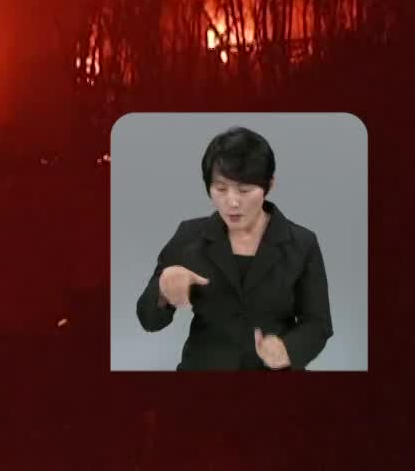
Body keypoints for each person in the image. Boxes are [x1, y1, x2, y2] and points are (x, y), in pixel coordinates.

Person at [135, 126, 333, 370]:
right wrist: (162, 291)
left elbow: (318, 323)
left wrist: (289, 350)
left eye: (244, 190)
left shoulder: (302, 243)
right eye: (220, 189)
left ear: (269, 185)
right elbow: (148, 320)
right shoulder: (189, 236)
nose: (232, 201)